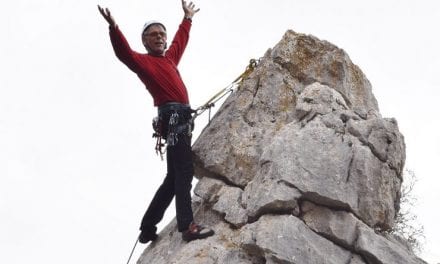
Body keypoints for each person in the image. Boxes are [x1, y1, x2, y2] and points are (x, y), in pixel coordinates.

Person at [97, 0, 214, 243]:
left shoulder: (170, 59)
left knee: (173, 178)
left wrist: (188, 18)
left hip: (177, 119)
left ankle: (148, 227)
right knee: (183, 172)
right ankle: (187, 227)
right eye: (153, 35)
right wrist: (114, 28)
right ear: (145, 42)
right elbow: (123, 53)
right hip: (174, 119)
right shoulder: (143, 62)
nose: (160, 37)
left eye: (162, 34)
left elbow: (180, 41)